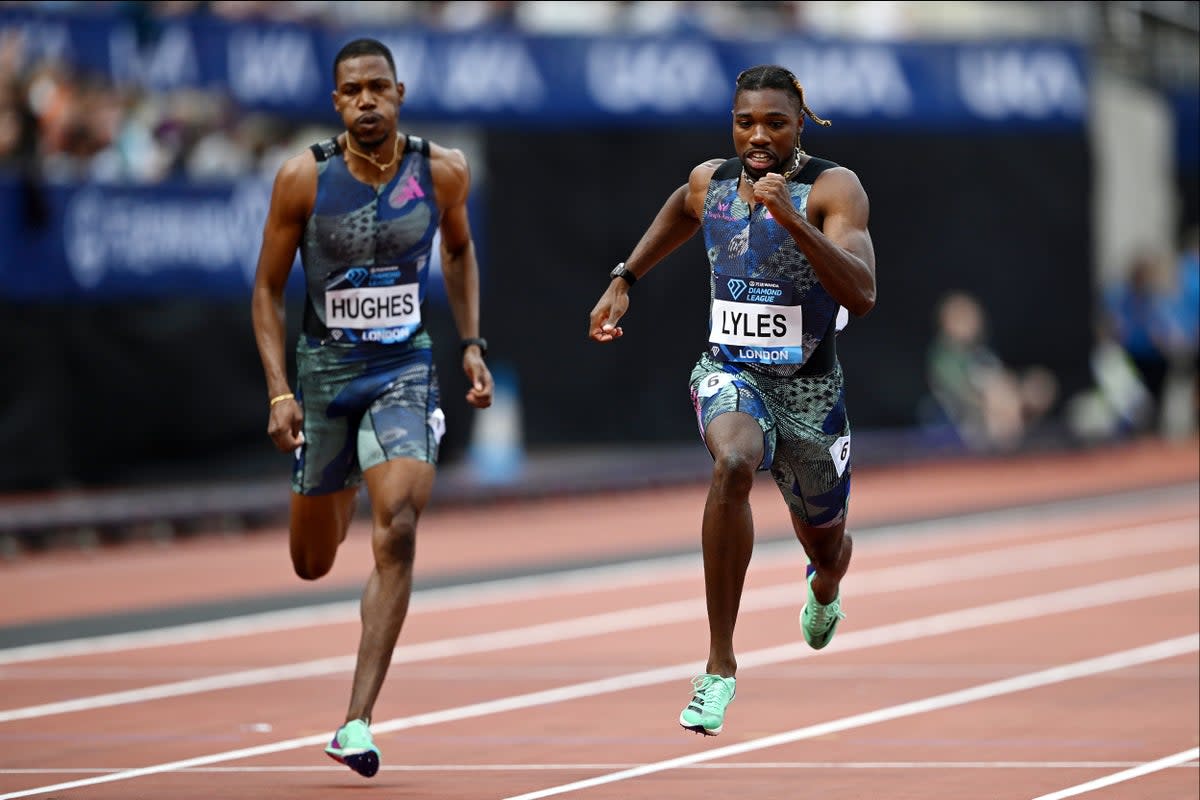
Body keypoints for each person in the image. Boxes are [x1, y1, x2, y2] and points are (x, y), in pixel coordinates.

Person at [588, 64, 876, 736]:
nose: (758, 135)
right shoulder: (711, 182)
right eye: (745, 121)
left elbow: (861, 292)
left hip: (809, 391)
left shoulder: (833, 188)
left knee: (827, 544)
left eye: (774, 122)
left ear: (800, 120)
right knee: (733, 463)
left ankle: (825, 585)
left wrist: (791, 218)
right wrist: (625, 277)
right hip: (729, 371)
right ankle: (719, 667)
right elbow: (679, 210)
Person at [250, 37, 493, 778]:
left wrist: (472, 342)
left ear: (399, 92)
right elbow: (265, 291)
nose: (365, 100)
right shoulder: (303, 178)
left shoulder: (442, 170)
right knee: (312, 563)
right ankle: (347, 473)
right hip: (325, 373)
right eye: (352, 89)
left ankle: (356, 721)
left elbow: (457, 250)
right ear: (335, 101)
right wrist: (280, 391)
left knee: (403, 528)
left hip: (403, 367)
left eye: (377, 88)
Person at [925, 290, 1058, 452]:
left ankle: (1023, 445)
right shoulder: (944, 358)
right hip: (969, 421)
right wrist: (993, 403)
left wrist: (1022, 391)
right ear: (947, 322)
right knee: (997, 396)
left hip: (1003, 412)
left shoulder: (982, 353)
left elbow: (1002, 378)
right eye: (963, 318)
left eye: (973, 317)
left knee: (1040, 385)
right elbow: (961, 394)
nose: (972, 323)